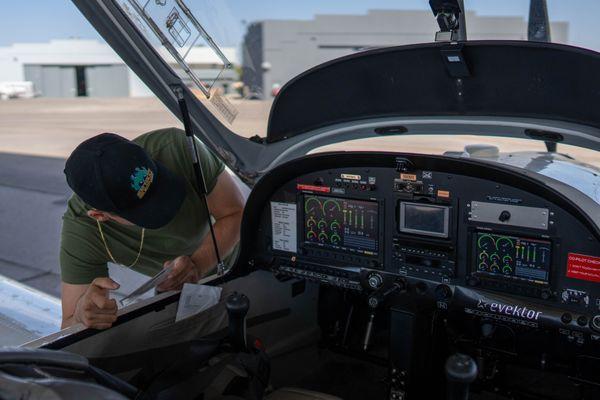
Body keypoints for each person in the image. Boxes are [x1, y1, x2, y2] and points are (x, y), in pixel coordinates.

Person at [59, 127, 244, 330]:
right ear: (100, 216)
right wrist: (83, 316)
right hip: (178, 289)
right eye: (145, 210)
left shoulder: (177, 147)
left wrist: (197, 265)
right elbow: (68, 326)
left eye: (160, 185)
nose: (164, 204)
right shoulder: (83, 231)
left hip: (240, 256)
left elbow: (235, 213)